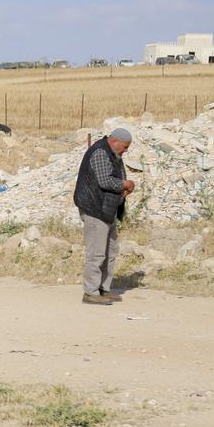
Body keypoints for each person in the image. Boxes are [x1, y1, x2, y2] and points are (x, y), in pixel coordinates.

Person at [74, 127, 135, 305]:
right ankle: (91, 292)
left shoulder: (115, 153)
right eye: (124, 146)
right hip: (95, 208)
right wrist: (125, 184)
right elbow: (105, 180)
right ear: (114, 141)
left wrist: (124, 188)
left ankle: (103, 289)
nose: (126, 150)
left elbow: (114, 178)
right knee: (97, 252)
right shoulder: (100, 152)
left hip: (107, 208)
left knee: (111, 250)